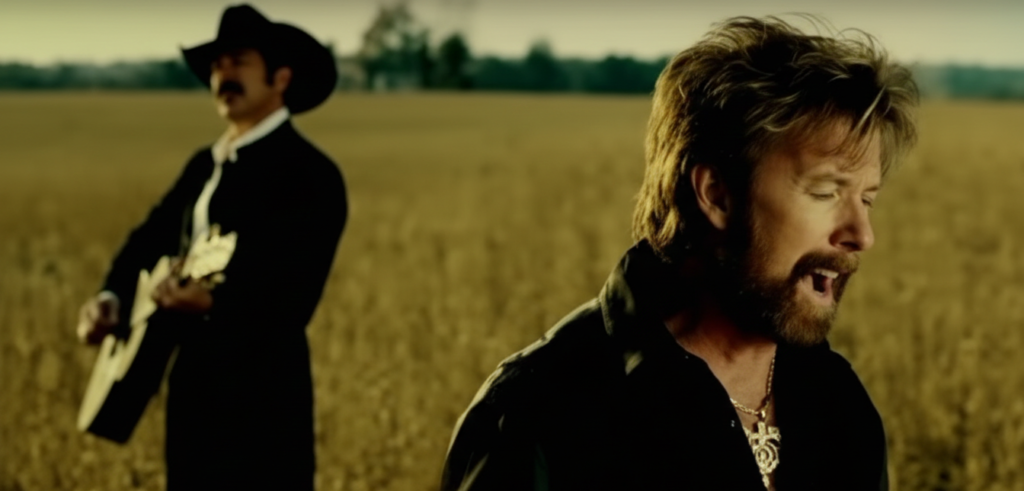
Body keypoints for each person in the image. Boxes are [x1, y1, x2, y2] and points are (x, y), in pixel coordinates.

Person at [440, 15, 918, 491]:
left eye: (867, 199)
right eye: (825, 193)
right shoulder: (538, 416)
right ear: (717, 195)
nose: (862, 235)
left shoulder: (840, 405)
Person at [74, 4, 345, 490]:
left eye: (238, 62)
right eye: (217, 66)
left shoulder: (310, 174)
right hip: (194, 389)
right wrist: (111, 297)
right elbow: (147, 240)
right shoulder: (204, 164)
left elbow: (295, 295)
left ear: (281, 78)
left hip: (265, 397)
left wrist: (216, 303)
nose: (223, 76)